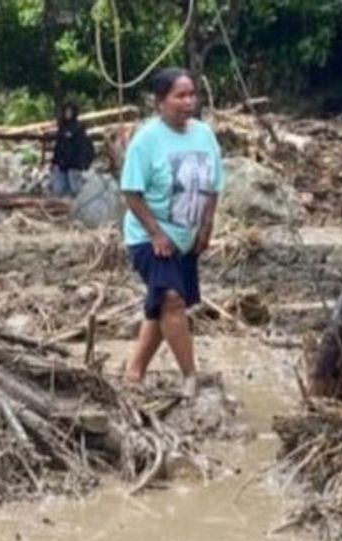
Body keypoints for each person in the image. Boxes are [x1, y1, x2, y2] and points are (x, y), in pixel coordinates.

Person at [120, 68, 225, 399]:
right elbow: (131, 192)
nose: (188, 101)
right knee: (171, 298)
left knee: (162, 305)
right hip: (148, 236)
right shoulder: (146, 140)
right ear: (160, 102)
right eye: (180, 96)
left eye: (192, 94)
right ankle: (190, 376)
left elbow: (214, 185)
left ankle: (133, 372)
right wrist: (156, 234)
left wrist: (206, 225)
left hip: (186, 237)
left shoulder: (204, 135)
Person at [50, 102, 95, 196]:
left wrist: (82, 163)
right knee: (59, 190)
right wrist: (54, 162)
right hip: (62, 164)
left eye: (70, 111)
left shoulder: (78, 128)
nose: (67, 114)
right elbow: (58, 147)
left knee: (75, 190)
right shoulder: (62, 128)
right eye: (66, 111)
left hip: (74, 164)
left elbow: (82, 146)